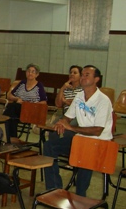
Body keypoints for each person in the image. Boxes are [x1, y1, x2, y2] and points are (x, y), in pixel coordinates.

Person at [43, 65, 113, 197]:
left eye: (87, 75)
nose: (83, 77)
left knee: (84, 153)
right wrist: (62, 122)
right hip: (82, 140)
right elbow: (68, 117)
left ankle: (80, 196)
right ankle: (54, 189)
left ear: (96, 79)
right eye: (82, 75)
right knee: (49, 146)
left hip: (100, 144)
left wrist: (71, 128)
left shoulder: (103, 101)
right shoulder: (80, 96)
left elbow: (97, 131)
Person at [5, 63, 47, 143]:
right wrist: (16, 98)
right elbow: (9, 95)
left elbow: (43, 103)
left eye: (33, 72)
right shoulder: (22, 83)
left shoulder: (39, 86)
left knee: (11, 108)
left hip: (31, 111)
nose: (30, 73)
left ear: (37, 74)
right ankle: (11, 137)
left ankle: (10, 136)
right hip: (18, 110)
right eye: (28, 71)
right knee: (11, 110)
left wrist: (29, 105)